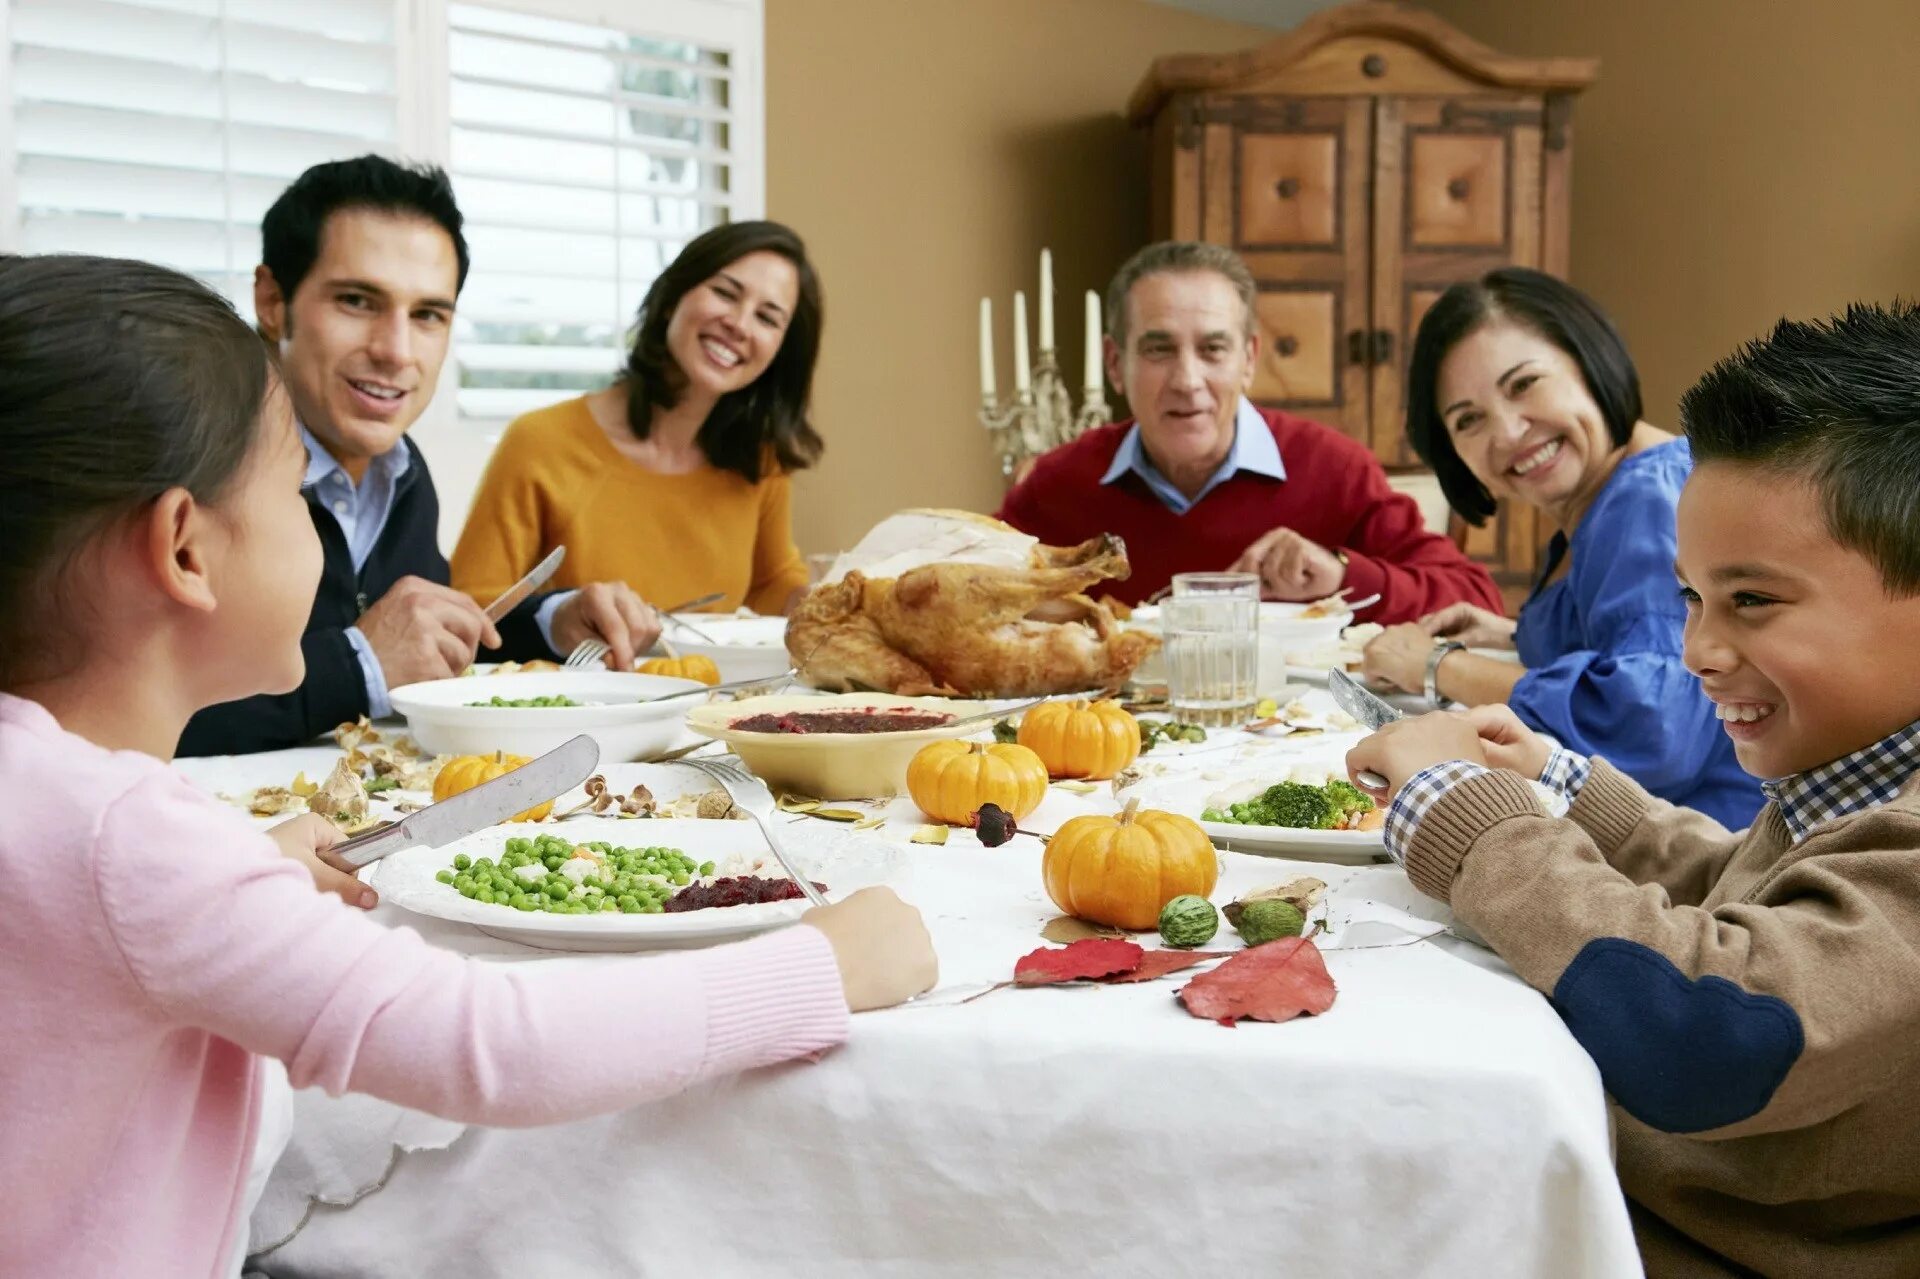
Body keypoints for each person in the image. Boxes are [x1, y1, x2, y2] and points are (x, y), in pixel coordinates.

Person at [0, 254, 937, 1279]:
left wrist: (228, 857)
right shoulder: (134, 847)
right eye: (290, 495)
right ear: (185, 549)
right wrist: (823, 966)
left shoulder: (76, 809)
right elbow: (491, 1044)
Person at [1346, 301, 1920, 1277]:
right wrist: (1561, 784)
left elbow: (1709, 1026)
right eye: (1692, 598)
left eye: (1753, 601)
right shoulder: (1851, 787)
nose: (1695, 649)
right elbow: (1736, 881)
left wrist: (1470, 817)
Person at [178, 156, 661, 757]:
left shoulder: (401, 468)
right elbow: (126, 704)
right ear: (273, 301)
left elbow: (415, 644)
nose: (397, 352)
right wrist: (360, 665)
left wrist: (551, 622)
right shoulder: (191, 464)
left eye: (428, 315)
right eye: (357, 301)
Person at [1361, 268, 1761, 828]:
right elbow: (1641, 636)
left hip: (1710, 864)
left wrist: (1435, 665)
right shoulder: (1607, 498)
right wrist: (1508, 633)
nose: (1507, 431)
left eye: (1524, 384)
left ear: (1589, 361)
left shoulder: (1644, 502)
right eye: (1469, 419)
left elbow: (1649, 726)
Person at [993, 241, 1501, 621]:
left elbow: (1477, 600)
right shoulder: (1061, 482)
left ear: (1249, 359)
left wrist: (1341, 574)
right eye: (1158, 350)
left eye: (1213, 349)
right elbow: (963, 587)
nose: (1187, 381)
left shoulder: (1335, 469)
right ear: (1115, 363)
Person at [451, 221, 819, 616]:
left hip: (708, 679)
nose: (739, 324)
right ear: (669, 301)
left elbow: (772, 583)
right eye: (725, 293)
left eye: (767, 318)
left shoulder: (760, 462)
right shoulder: (539, 442)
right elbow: (472, 608)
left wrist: (834, 600)